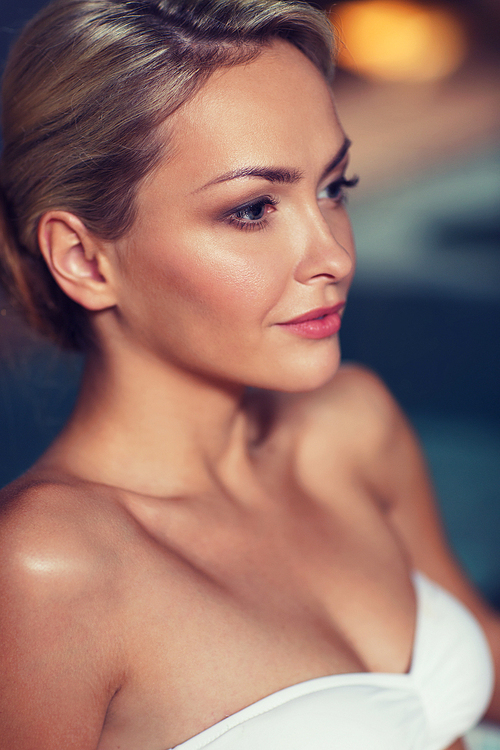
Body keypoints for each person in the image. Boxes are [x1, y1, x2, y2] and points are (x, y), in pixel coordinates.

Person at [0, 1, 498, 748]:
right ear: (83, 258)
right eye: (253, 209)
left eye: (334, 188)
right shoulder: (46, 567)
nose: (332, 254)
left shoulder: (349, 425)